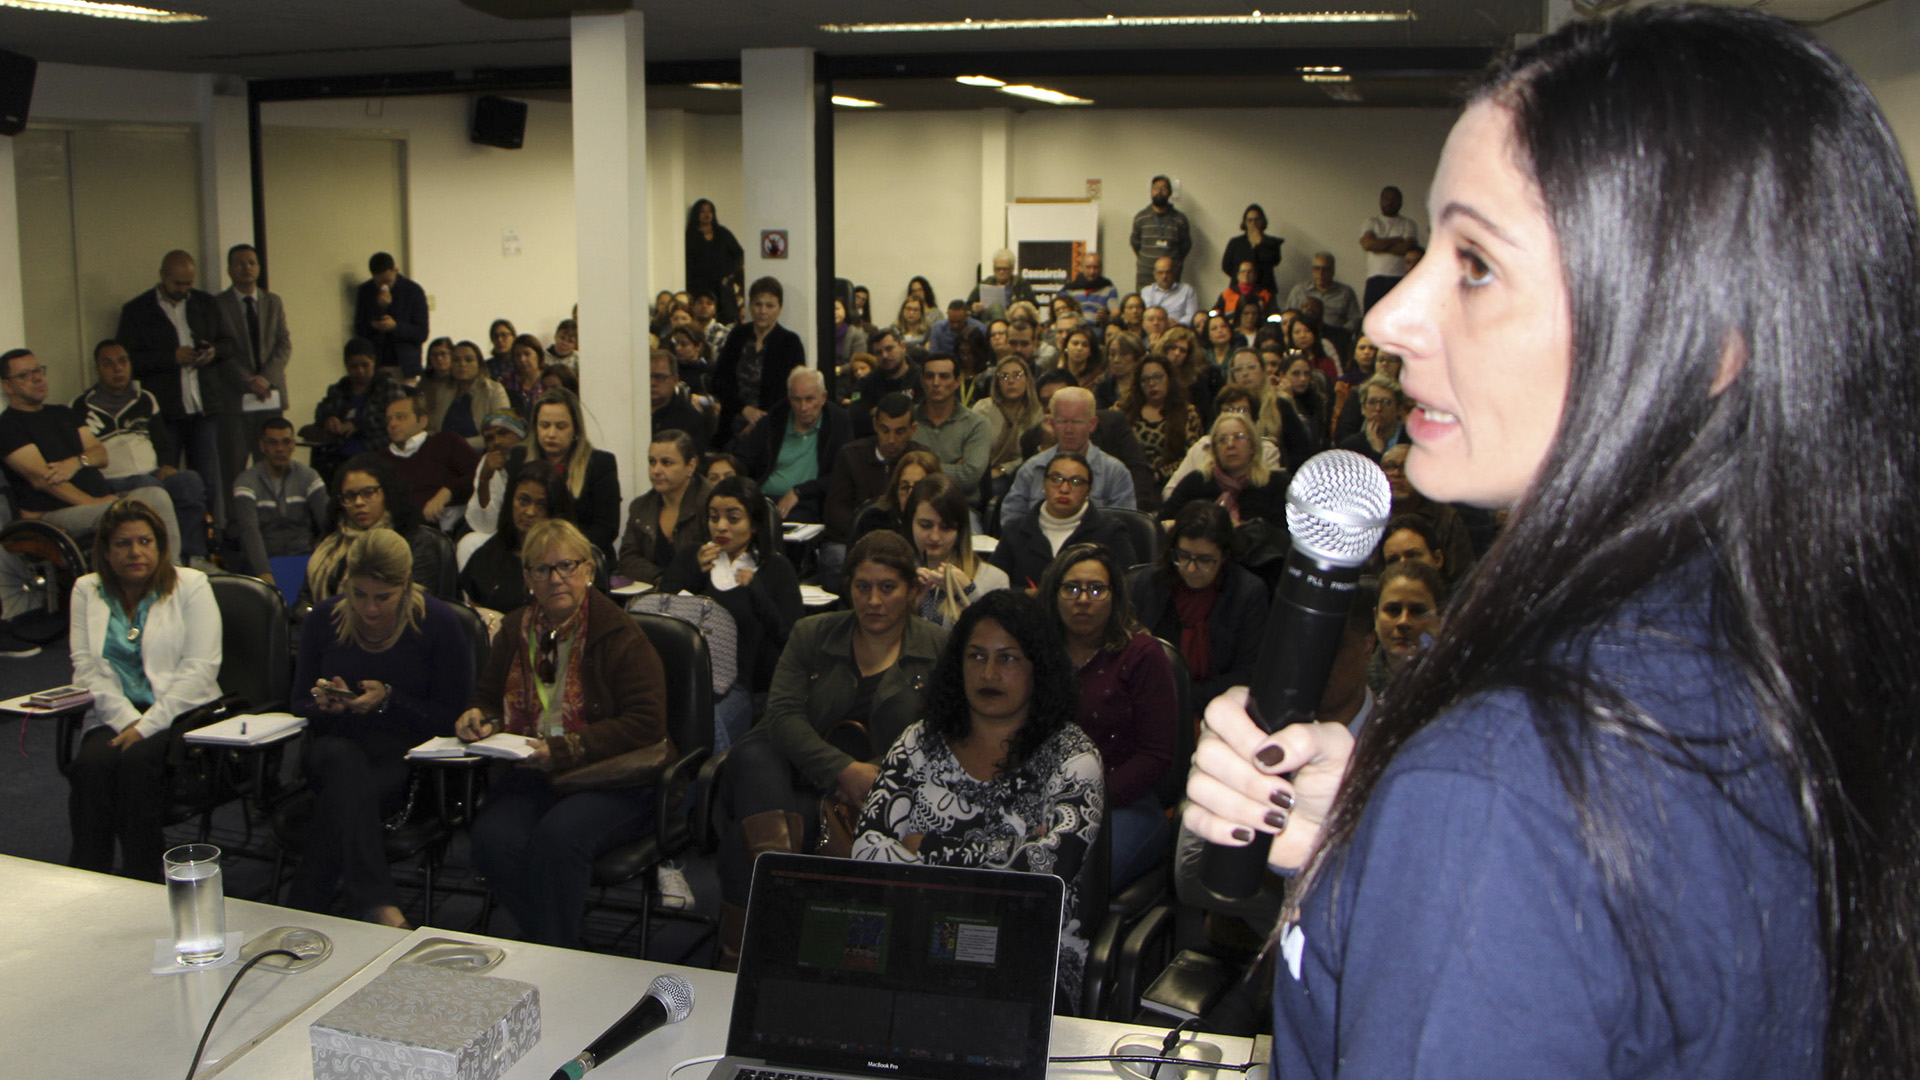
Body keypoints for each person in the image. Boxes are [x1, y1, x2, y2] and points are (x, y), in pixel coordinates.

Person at [1183, 9, 1919, 1075]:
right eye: (1429, 244)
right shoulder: (1792, 638)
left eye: (1475, 262)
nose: (1391, 319)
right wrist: (1373, 837)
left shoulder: (1504, 787)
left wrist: (1446, 826)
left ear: (1704, 342)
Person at [852, 589, 1102, 1005]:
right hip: (909, 932)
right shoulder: (918, 741)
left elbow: (1045, 872)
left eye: (1007, 658)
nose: (988, 673)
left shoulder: (1074, 758)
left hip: (1022, 945)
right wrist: (1010, 848)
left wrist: (922, 846)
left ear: (1037, 667)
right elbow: (866, 849)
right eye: (976, 656)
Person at [710, 530, 946, 965]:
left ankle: (748, 957)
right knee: (753, 754)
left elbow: (937, 737)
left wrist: (867, 773)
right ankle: (779, 905)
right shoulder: (812, 633)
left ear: (913, 591)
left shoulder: (940, 649)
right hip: (792, 779)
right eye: (862, 587)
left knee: (742, 843)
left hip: (882, 794)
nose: (873, 600)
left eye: (888, 587)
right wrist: (841, 769)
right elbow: (781, 715)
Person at [461, 518, 669, 948]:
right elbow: (486, 696)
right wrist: (478, 717)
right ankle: (557, 942)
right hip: (535, 772)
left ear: (589, 570)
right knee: (491, 838)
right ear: (527, 578)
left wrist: (567, 748)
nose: (555, 578)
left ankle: (553, 951)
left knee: (558, 838)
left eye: (567, 566)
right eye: (541, 569)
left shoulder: (619, 633)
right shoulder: (515, 630)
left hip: (613, 779)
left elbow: (646, 722)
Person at [290, 528, 470, 927]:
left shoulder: (437, 623)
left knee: (338, 804)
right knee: (339, 759)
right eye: (359, 594)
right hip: (334, 748)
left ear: (405, 585)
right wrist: (326, 704)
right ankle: (379, 906)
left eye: (383, 597)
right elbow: (299, 704)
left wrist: (390, 701)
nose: (370, 609)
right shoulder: (323, 620)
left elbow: (451, 717)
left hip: (405, 759)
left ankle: (302, 914)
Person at [65, 498, 220, 881]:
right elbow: (86, 668)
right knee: (91, 766)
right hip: (111, 712)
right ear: (105, 550)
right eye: (122, 543)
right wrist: (127, 721)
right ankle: (86, 880)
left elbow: (200, 668)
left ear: (160, 546)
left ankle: (143, 881)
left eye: (145, 541)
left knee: (137, 765)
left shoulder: (191, 585)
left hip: (179, 713)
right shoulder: (87, 590)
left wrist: (147, 726)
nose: (135, 552)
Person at [1039, 541, 1176, 891]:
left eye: (1096, 589)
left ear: (1115, 595)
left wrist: (1079, 804)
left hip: (1124, 805)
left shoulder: (1143, 655)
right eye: (1071, 588)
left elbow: (1156, 756)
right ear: (1054, 594)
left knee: (1069, 877)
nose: (1083, 599)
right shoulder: (1036, 653)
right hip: (1041, 800)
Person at [0, 348, 183, 557]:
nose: (37, 379)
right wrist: (92, 502)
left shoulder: (63, 413)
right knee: (119, 513)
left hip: (98, 502)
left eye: (38, 371)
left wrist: (76, 462)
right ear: (8, 385)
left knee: (157, 496)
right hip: (54, 514)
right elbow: (43, 478)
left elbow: (100, 455)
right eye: (24, 375)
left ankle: (172, 575)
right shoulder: (8, 426)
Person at [115, 249, 234, 534]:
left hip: (203, 405)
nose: (184, 290)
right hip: (164, 411)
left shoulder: (205, 303)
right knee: (165, 479)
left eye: (188, 283)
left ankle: (205, 542)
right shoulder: (137, 310)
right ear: (163, 277)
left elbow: (229, 343)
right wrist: (172, 357)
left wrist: (212, 352)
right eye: (178, 283)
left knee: (206, 482)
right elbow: (128, 359)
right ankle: (169, 539)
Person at [657, 475, 803, 692]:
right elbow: (661, 613)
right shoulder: (692, 556)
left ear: (754, 524)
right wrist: (693, 572)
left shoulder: (776, 568)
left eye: (733, 519)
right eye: (714, 518)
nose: (721, 527)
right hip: (687, 677)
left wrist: (756, 592)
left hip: (746, 686)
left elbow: (790, 640)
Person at [72, 340, 208, 558]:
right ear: (97, 370)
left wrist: (168, 465)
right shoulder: (79, 406)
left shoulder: (146, 398)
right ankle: (168, 562)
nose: (118, 369)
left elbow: (163, 442)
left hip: (152, 474)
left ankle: (194, 557)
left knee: (189, 482)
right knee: (150, 487)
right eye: (108, 364)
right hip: (113, 481)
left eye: (122, 362)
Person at [1130, 502, 1270, 710]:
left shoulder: (1248, 593)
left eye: (1205, 560)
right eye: (1183, 556)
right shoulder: (1149, 583)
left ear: (1224, 556)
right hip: (1147, 700)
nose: (1191, 568)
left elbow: (1246, 674)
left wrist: (1178, 698)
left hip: (1217, 706)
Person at [302, 454, 450, 603]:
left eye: (368, 493)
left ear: (387, 493)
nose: (358, 502)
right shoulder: (331, 543)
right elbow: (303, 603)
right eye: (350, 495)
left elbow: (415, 605)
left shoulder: (414, 541)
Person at [992, 451, 1136, 592]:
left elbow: (1127, 589)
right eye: (1056, 479)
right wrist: (1024, 595)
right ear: (1044, 484)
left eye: (1076, 482)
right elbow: (995, 588)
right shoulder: (1016, 530)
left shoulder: (1110, 532)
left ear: (1088, 490)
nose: (1064, 489)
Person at [213, 243, 291, 498]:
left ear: (258, 267)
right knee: (234, 465)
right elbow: (221, 352)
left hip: (269, 396)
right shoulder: (219, 305)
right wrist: (248, 381)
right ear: (229, 269)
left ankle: (275, 516)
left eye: (251, 262)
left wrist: (265, 379)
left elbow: (283, 344)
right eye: (239, 263)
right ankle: (235, 525)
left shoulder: (273, 301)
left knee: (273, 460)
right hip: (236, 399)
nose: (246, 268)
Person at [501, 388, 621, 555]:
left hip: (580, 555)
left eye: (561, 426)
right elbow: (507, 517)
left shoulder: (600, 463)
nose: (551, 434)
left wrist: (559, 551)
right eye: (544, 425)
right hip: (526, 553)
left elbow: (606, 529)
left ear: (575, 429)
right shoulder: (519, 457)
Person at [999, 388, 1136, 523]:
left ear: (1092, 424)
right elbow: (1010, 518)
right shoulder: (1032, 468)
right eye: (1062, 421)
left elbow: (1123, 527)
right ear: (1052, 424)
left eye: (1076, 422)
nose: (1069, 430)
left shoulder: (1115, 472)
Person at [735, 366, 850, 523]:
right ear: (789, 399)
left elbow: (842, 474)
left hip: (809, 502)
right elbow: (744, 458)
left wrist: (799, 492)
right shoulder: (773, 421)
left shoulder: (838, 424)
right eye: (797, 399)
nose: (803, 407)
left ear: (823, 398)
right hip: (761, 498)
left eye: (810, 399)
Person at [230, 418, 329, 585]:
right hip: (264, 560)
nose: (280, 449)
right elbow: (250, 531)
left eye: (286, 442)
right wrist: (264, 573)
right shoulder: (246, 481)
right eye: (273, 443)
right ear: (262, 446)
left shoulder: (308, 477)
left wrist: (322, 562)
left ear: (293, 445)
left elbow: (327, 523)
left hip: (304, 559)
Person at [462, 464, 571, 612]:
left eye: (541, 505)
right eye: (523, 501)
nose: (530, 512)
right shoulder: (488, 554)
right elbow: (474, 615)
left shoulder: (570, 561)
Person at [714, 276, 806, 446]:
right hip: (732, 422)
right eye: (758, 304)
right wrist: (745, 409)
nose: (763, 310)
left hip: (772, 427)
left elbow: (794, 391)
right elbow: (719, 380)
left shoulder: (790, 342)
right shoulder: (737, 335)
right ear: (750, 306)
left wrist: (760, 421)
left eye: (770, 305)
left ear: (780, 308)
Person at [907, 474, 1007, 627]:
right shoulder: (897, 575)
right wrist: (908, 608)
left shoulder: (994, 579)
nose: (935, 536)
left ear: (960, 530)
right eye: (925, 525)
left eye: (946, 528)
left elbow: (997, 637)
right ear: (910, 524)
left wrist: (968, 593)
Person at [614, 429, 709, 586]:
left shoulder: (710, 504)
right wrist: (661, 579)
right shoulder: (640, 506)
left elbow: (715, 560)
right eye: (652, 462)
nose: (656, 470)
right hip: (655, 592)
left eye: (666, 463)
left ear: (690, 466)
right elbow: (628, 558)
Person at [305, 338, 406, 481]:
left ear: (373, 361)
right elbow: (320, 412)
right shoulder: (339, 388)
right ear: (346, 366)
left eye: (365, 365)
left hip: (376, 455)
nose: (360, 371)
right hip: (338, 458)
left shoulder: (388, 387)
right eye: (354, 366)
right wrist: (329, 419)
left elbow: (397, 419)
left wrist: (359, 425)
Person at [1163, 412, 1285, 527]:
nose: (1230, 445)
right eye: (1223, 440)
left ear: (1252, 445)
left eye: (1239, 437)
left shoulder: (1275, 483)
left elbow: (1284, 536)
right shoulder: (1196, 481)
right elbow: (1163, 521)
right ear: (1215, 450)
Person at [379, 393, 479, 529]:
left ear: (422, 421)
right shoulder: (380, 460)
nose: (392, 424)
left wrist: (448, 491)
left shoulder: (446, 442)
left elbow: (481, 473)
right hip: (397, 528)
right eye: (388, 420)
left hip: (447, 526)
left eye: (400, 417)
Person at [1379, 446, 1476, 579]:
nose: (1396, 473)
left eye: (1406, 466)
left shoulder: (1446, 517)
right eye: (1389, 466)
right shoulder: (1365, 515)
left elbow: (1462, 578)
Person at [911, 354, 990, 498]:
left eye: (944, 376)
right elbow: (896, 467)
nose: (936, 382)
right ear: (922, 381)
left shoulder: (976, 423)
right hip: (913, 503)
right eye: (929, 376)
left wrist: (919, 467)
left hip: (961, 508)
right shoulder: (908, 418)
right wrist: (953, 468)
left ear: (957, 381)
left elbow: (969, 477)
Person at [1365, 557, 1445, 699]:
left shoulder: (1459, 683)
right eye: (1393, 610)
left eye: (1417, 611)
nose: (1403, 622)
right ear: (1376, 617)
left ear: (1440, 618)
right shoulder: (1355, 684)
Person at [1119, 355, 1196, 490]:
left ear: (1169, 378)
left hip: (1170, 485)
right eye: (1145, 380)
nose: (1152, 383)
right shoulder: (1125, 410)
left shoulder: (1187, 413)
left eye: (1158, 377)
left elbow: (1191, 457)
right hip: (1129, 483)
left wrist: (1159, 475)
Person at [352, 252, 429, 378]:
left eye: (388, 281)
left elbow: (422, 332)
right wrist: (375, 316)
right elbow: (359, 329)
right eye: (379, 283)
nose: (384, 286)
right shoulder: (365, 291)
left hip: (405, 366)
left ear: (395, 271)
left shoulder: (413, 291)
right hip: (375, 365)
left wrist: (395, 326)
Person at [426, 340, 509, 451]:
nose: (462, 364)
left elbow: (500, 433)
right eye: (456, 360)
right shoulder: (442, 390)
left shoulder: (494, 390)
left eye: (468, 360)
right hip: (444, 454)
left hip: (481, 454)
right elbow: (432, 428)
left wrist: (457, 445)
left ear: (479, 364)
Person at [973, 354, 1041, 489]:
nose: (1010, 381)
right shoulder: (984, 408)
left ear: (1027, 379)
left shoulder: (1037, 413)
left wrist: (1003, 470)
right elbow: (973, 447)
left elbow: (1037, 454)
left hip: (1022, 474)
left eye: (1017, 375)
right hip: (983, 473)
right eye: (1004, 376)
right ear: (997, 383)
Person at [1358, 186, 1421, 314]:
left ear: (1400, 202)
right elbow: (1368, 245)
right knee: (1371, 321)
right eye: (1386, 198)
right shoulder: (1371, 222)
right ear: (1380, 201)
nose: (1389, 201)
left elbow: (1406, 248)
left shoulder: (1408, 223)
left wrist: (1378, 245)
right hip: (1375, 280)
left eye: (1394, 199)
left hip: (1400, 280)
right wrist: (1396, 240)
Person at [1130, 174, 1193, 289]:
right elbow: (1135, 243)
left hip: (1170, 276)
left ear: (1170, 192)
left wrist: (1173, 263)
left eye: (1163, 188)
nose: (1159, 191)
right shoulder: (1141, 217)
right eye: (1155, 188)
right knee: (1144, 306)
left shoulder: (1179, 219)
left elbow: (1185, 246)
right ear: (1151, 191)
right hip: (1146, 274)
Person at [1285, 252, 1362, 342]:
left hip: (1335, 339)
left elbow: (1355, 320)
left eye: (1325, 269)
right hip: (1303, 337)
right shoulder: (1299, 291)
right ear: (1312, 270)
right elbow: (1288, 317)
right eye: (1317, 269)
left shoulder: (1345, 292)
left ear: (1333, 270)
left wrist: (1340, 333)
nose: (1321, 273)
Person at [1335, 374, 1408, 463]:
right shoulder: (1350, 448)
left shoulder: (1415, 442)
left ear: (1399, 408)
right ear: (1363, 409)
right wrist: (1376, 452)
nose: (1378, 408)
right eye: (1372, 402)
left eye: (1386, 402)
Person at [1220, 203, 1283, 295]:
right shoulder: (1235, 243)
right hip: (1239, 291)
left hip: (1264, 290)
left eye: (1257, 219)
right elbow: (1226, 266)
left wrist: (1261, 242)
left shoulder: (1272, 243)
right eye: (1250, 220)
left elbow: (1274, 261)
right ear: (1245, 223)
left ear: (1262, 221)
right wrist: (1243, 277)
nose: (1253, 223)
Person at [966, 249, 1038, 324]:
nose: (1001, 272)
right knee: (996, 308)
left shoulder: (1021, 285)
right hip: (989, 322)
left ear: (1012, 269)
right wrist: (973, 307)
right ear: (993, 269)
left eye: (1005, 269)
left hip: (1014, 322)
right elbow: (967, 306)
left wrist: (1016, 309)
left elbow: (1034, 307)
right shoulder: (985, 284)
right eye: (998, 269)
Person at [1060, 252, 1121, 325]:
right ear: (1081, 268)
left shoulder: (1108, 287)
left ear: (1101, 268)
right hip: (1074, 328)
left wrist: (1107, 317)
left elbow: (1116, 312)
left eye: (1095, 267)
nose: (1092, 271)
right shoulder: (1069, 289)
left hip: (1098, 329)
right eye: (1088, 267)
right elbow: (1057, 309)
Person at [1141, 256, 1199, 328]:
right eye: (1160, 273)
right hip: (1155, 328)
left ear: (1174, 273)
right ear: (1155, 274)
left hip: (1179, 329)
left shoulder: (1187, 290)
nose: (1164, 276)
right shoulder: (1147, 291)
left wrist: (1179, 323)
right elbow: (1147, 315)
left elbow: (1192, 315)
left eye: (1168, 272)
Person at [497, 333, 546, 412]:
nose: (522, 359)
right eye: (518, 355)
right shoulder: (507, 380)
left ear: (538, 355)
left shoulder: (549, 378)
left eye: (527, 354)